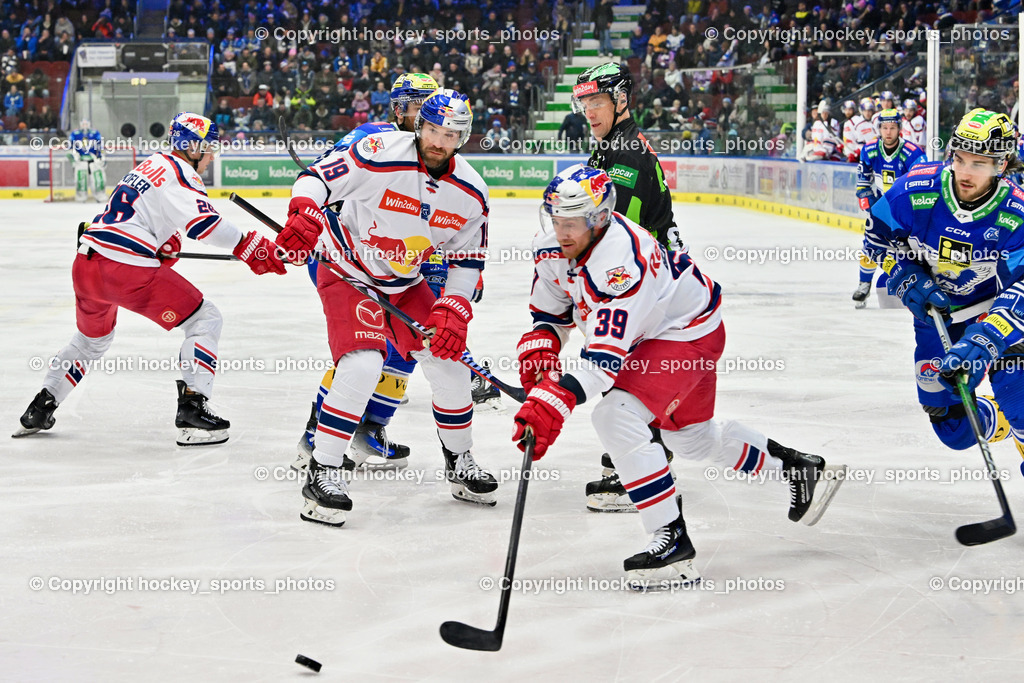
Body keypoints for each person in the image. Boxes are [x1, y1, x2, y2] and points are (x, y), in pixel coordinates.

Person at [512, 165, 846, 586]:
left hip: (685, 335)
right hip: (667, 331)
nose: (561, 232)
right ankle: (797, 469)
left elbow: (602, 362)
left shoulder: (621, 261)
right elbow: (552, 310)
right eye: (556, 220)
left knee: (614, 415)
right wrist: (542, 341)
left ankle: (670, 541)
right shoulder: (552, 247)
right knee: (691, 438)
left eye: (572, 223)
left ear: (599, 217)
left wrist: (555, 399)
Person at [276, 89, 497, 527]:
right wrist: (304, 212)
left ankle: (459, 460)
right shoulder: (378, 151)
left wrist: (452, 309)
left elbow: (468, 261)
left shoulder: (472, 193)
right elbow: (316, 179)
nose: (439, 141)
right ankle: (323, 471)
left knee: (451, 367)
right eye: (432, 129)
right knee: (362, 365)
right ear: (419, 125)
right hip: (347, 270)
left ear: (463, 137)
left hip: (404, 282)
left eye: (450, 134)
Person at [13, 113, 286, 444]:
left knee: (91, 341)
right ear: (194, 146)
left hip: (86, 264)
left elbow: (137, 218)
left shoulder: (151, 164)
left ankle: (39, 409)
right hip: (123, 269)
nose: (213, 155)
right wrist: (250, 246)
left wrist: (159, 244)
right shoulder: (180, 172)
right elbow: (205, 226)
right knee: (205, 318)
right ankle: (192, 412)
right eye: (209, 147)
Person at [865, 108, 1024, 468]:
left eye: (979, 163)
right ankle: (998, 420)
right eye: (960, 158)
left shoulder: (1017, 213)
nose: (965, 172)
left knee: (1020, 398)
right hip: (939, 316)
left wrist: (987, 338)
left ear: (1001, 165)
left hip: (1001, 315)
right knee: (952, 427)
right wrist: (902, 274)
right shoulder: (915, 189)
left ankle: (1014, 414)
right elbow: (877, 240)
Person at [572, 62, 685, 511]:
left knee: (629, 371)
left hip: (649, 282)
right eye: (585, 103)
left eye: (597, 101)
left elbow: (622, 232)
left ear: (621, 101)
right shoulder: (611, 146)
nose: (590, 111)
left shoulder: (626, 154)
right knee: (630, 370)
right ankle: (641, 457)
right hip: (650, 277)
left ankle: (638, 467)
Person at [853, 108, 926, 309]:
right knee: (871, 244)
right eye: (884, 127)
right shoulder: (869, 150)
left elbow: (922, 182)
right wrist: (867, 200)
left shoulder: (913, 152)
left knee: (911, 249)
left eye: (892, 127)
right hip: (881, 207)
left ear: (899, 129)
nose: (888, 132)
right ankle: (864, 283)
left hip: (906, 209)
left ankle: (917, 287)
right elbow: (862, 182)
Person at [68, 119, 106, 202]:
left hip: (93, 160)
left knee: (98, 179)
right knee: (80, 180)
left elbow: (100, 146)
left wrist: (101, 156)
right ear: (80, 124)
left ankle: (100, 196)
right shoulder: (75, 134)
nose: (85, 125)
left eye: (86, 123)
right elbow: (70, 148)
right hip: (81, 161)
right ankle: (81, 197)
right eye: (83, 123)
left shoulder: (95, 133)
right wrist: (74, 157)